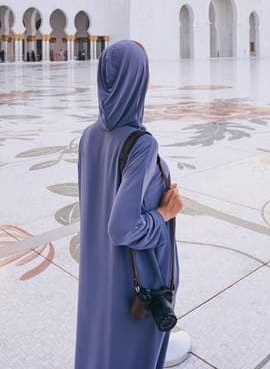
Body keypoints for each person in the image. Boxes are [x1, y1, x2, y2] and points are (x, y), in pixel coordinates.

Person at [75, 40, 182, 369]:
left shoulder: (90, 136)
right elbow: (121, 228)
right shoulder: (141, 144)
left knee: (103, 336)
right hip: (136, 275)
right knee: (134, 349)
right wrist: (166, 212)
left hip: (100, 268)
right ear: (138, 81)